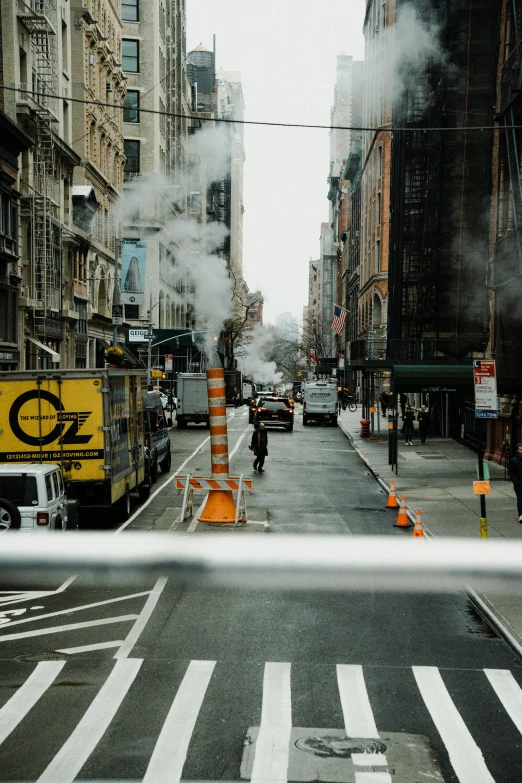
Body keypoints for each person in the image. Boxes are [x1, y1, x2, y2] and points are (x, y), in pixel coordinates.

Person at [509, 443, 522, 522]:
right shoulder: (514, 460)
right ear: (518, 450)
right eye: (520, 449)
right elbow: (511, 472)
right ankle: (521, 514)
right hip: (518, 483)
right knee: (520, 499)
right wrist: (515, 481)